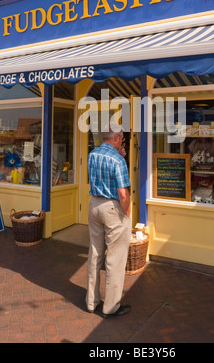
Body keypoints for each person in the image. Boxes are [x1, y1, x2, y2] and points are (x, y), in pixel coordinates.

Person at [86, 123, 131, 318]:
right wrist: (127, 212)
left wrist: (119, 154)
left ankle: (91, 301)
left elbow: (98, 176)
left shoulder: (92, 155)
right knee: (115, 258)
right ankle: (111, 306)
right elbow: (122, 192)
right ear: (117, 138)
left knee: (95, 254)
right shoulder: (117, 161)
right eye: (121, 137)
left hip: (94, 204)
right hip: (113, 208)